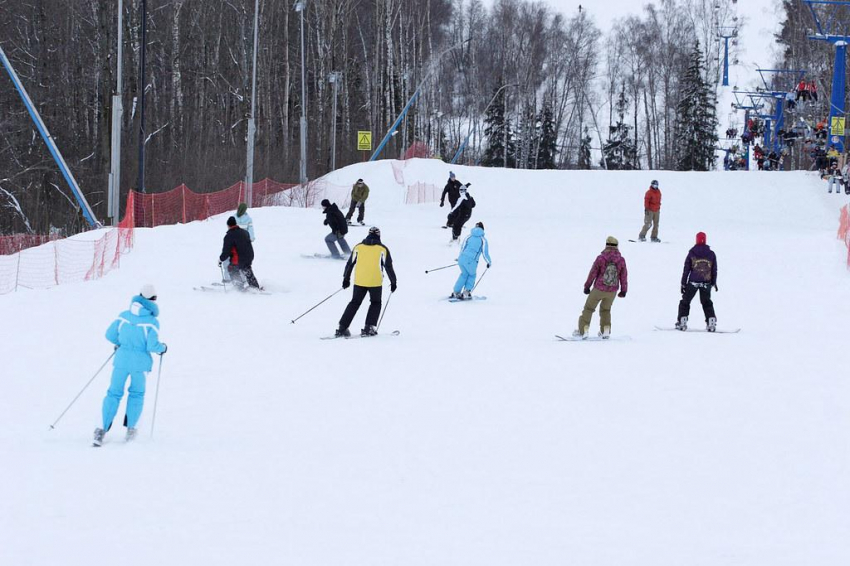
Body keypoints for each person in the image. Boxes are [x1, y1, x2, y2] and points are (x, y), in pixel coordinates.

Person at [93, 284, 167, 446]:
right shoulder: (152, 322)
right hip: (140, 365)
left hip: (121, 361)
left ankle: (100, 431)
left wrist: (122, 344)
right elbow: (151, 346)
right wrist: (163, 348)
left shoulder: (123, 316)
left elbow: (110, 334)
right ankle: (131, 431)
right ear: (152, 300)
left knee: (113, 394)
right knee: (136, 394)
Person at [335, 226, 398, 337]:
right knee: (375, 303)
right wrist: (393, 282)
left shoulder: (358, 247)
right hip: (375, 281)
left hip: (359, 281)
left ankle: (342, 328)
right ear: (379, 235)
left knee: (354, 303)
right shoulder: (382, 249)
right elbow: (388, 266)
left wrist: (346, 279)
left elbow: (350, 264)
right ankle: (369, 327)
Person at [574, 236, 628, 339]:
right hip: (612, 291)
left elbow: (593, 272)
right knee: (606, 310)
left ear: (606, 245)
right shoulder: (621, 260)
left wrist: (587, 286)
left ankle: (583, 330)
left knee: (589, 308)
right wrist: (623, 290)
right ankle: (606, 330)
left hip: (599, 289)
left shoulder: (601, 258)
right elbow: (624, 276)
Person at [677, 232, 718, 332]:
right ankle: (711, 320)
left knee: (685, 301)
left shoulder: (692, 253)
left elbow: (686, 269)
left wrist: (683, 283)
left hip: (693, 282)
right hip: (706, 282)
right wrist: (713, 282)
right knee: (707, 302)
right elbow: (714, 269)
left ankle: (682, 320)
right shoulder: (711, 254)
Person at [451, 221, 492, 300]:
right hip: (471, 261)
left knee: (464, 274)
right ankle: (466, 292)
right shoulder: (483, 240)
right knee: (472, 275)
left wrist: (460, 258)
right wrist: (489, 262)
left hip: (462, 259)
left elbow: (462, 247)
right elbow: (485, 253)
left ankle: (456, 292)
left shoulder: (468, 236)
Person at [219, 216, 261, 289]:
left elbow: (226, 251)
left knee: (231, 268)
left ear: (228, 225)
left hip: (239, 258)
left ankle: (239, 288)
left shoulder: (229, 236)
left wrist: (220, 259)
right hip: (249, 256)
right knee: (246, 269)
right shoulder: (245, 232)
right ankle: (254, 287)